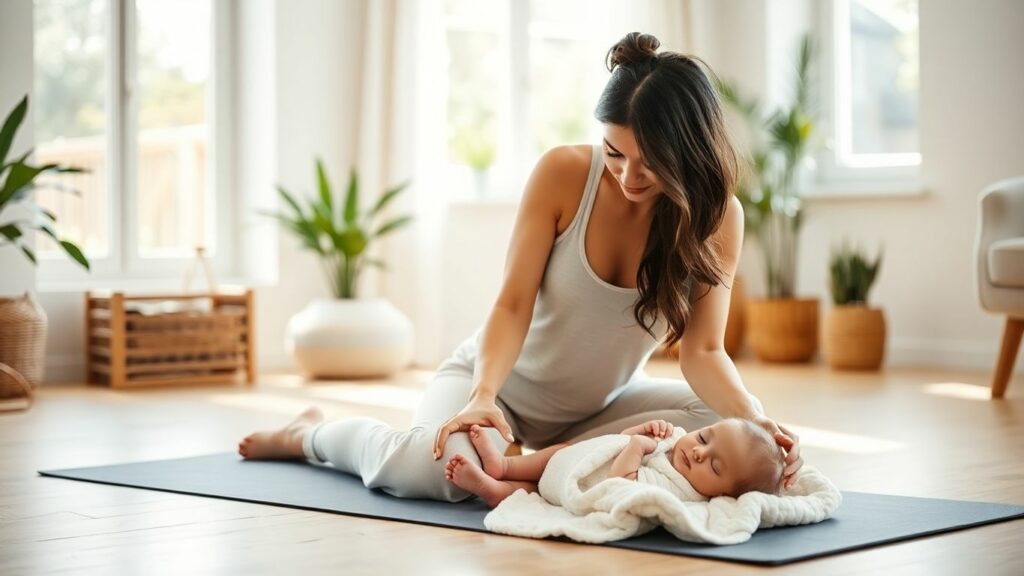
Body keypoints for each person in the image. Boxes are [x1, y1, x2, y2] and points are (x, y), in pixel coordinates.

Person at [237, 31, 803, 502]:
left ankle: (551, 466)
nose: (628, 177)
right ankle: (309, 435)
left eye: (650, 164)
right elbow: (511, 303)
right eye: (615, 154)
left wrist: (757, 422)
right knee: (430, 472)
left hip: (597, 411)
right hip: (498, 386)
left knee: (723, 427)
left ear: (689, 152)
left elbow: (704, 353)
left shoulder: (717, 217)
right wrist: (482, 395)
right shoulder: (562, 174)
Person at [445, 418, 784, 508]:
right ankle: (502, 466)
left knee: (534, 494)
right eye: (706, 438)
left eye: (714, 467)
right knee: (556, 452)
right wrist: (639, 432)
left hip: (579, 484)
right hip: (580, 456)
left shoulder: (679, 492)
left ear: (721, 495)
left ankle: (492, 488)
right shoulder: (677, 439)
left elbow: (622, 487)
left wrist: (638, 446)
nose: (699, 452)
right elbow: (621, 439)